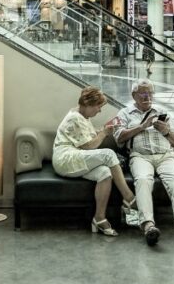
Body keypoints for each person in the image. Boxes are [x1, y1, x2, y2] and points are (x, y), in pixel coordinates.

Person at [113, 81, 174, 248]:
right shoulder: (124, 113)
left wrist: (166, 130)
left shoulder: (163, 113)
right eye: (143, 94)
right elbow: (119, 138)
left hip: (166, 155)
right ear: (134, 96)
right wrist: (142, 126)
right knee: (143, 181)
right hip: (140, 156)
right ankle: (148, 226)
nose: (148, 97)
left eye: (150, 93)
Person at [52, 87, 136, 236]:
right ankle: (129, 198)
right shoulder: (75, 117)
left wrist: (103, 131)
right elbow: (89, 146)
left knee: (104, 173)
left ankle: (99, 218)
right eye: (98, 106)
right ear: (87, 103)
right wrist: (104, 133)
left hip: (75, 157)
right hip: (65, 158)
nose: (99, 111)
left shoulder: (82, 116)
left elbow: (86, 139)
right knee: (109, 154)